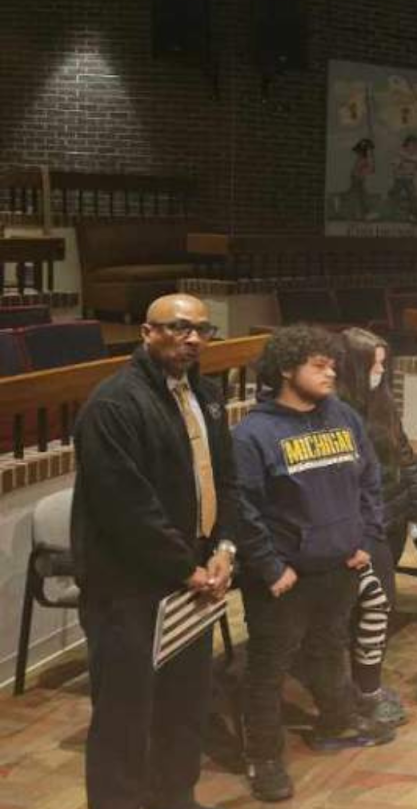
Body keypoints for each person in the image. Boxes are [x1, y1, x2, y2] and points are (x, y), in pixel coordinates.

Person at [71, 294, 239, 809]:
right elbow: (126, 507)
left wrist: (225, 549)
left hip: (194, 579)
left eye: (203, 331)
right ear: (147, 332)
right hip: (129, 588)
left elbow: (226, 481)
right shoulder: (113, 405)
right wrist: (186, 568)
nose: (192, 339)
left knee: (185, 704)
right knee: (125, 715)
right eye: (179, 328)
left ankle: (175, 797)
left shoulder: (206, 395)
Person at [232, 325, 393, 802]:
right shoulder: (253, 433)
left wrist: (366, 535)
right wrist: (269, 566)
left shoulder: (342, 415)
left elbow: (369, 478)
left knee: (328, 649)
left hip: (339, 564)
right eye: (318, 364)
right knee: (269, 669)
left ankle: (335, 723)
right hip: (285, 577)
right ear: (286, 368)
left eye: (332, 364)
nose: (331, 371)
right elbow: (243, 507)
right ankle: (263, 758)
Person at [336, 328, 417, 728]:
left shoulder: (382, 400)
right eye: (374, 366)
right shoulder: (337, 409)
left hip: (392, 511)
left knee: (379, 600)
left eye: (384, 365)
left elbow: (401, 447)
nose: (380, 373)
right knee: (372, 601)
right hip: (361, 522)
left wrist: (416, 498)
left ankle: (363, 682)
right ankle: (361, 688)